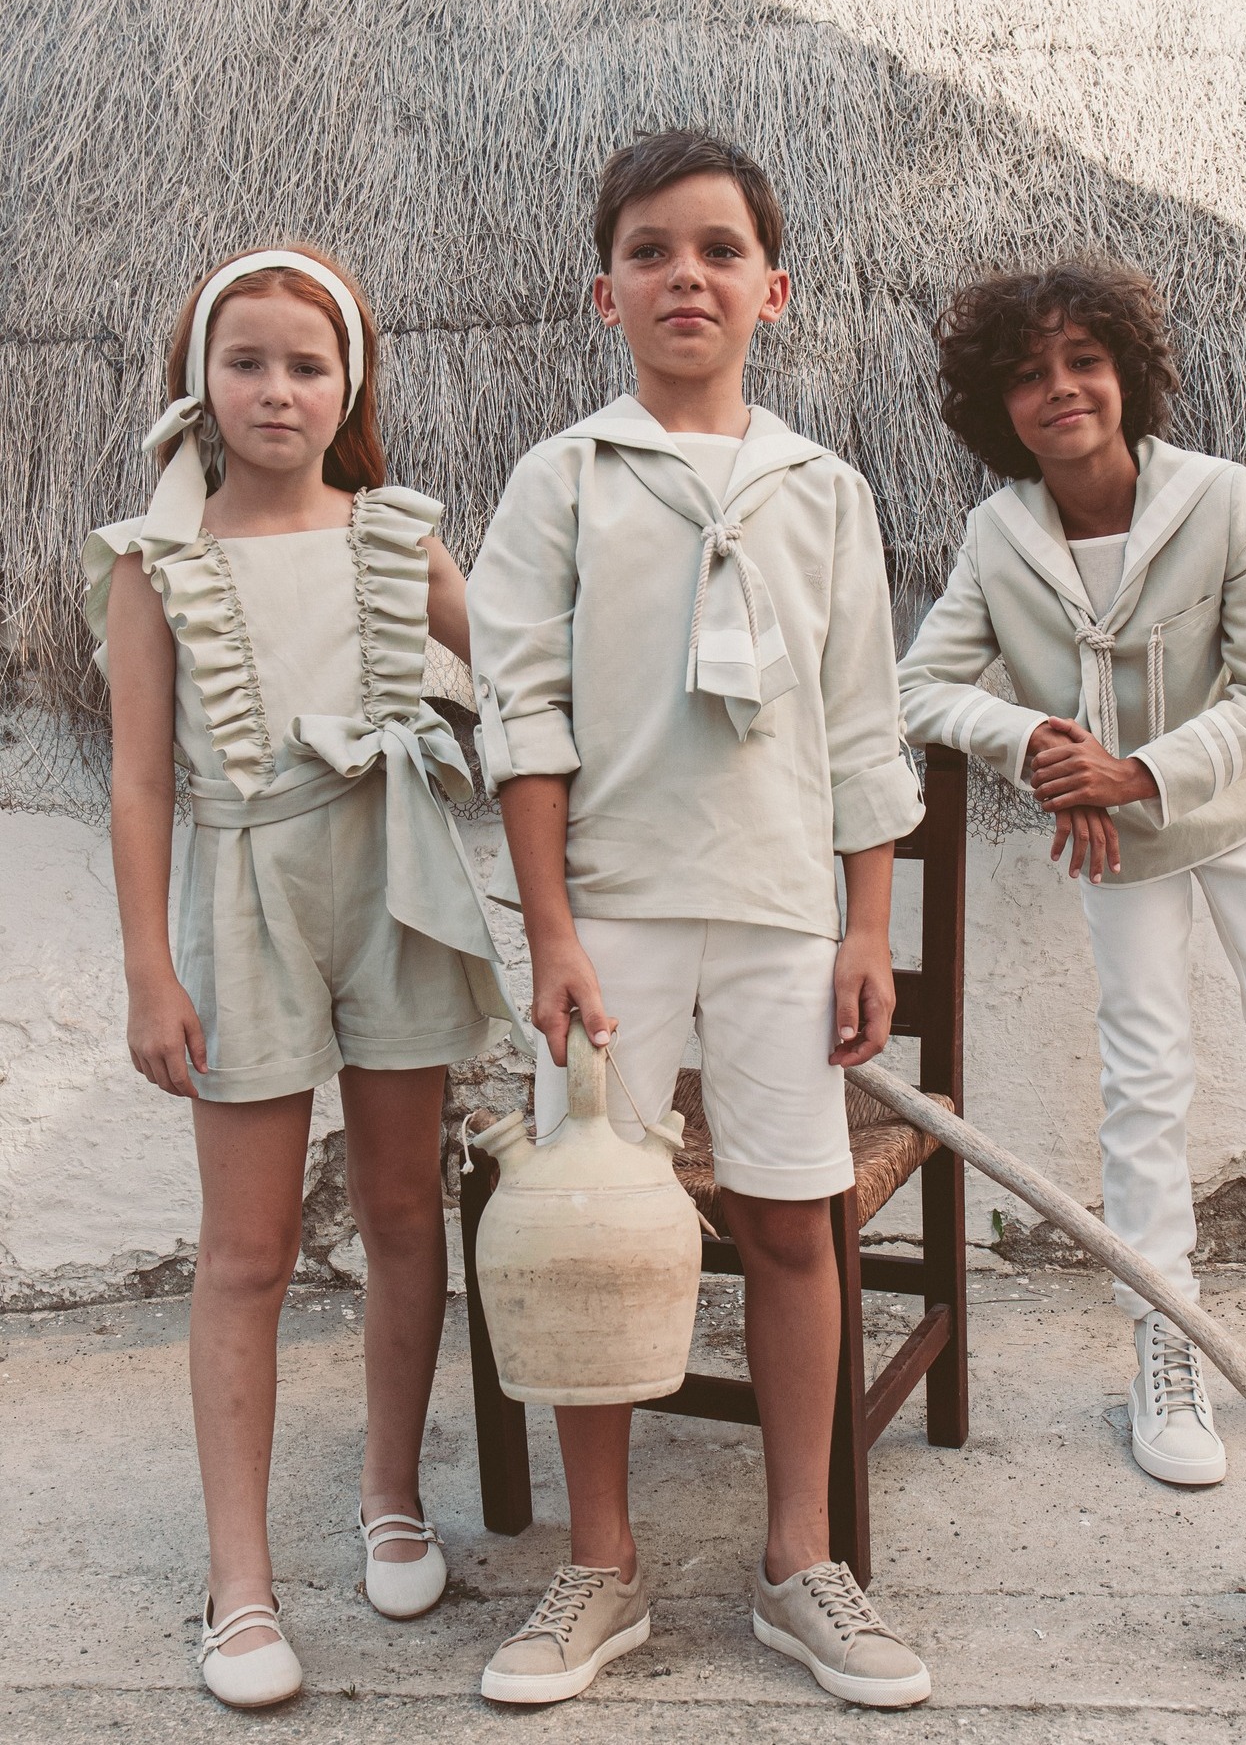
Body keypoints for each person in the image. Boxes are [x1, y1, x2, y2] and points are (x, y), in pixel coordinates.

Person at [466, 130, 930, 1708]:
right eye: (650, 251)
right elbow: (522, 715)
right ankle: (600, 1566)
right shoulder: (561, 481)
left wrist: (862, 927)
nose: (686, 276)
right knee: (588, 1229)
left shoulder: (824, 493)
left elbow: (861, 725)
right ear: (603, 293)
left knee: (791, 1222)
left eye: (719, 250)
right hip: (610, 917)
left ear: (771, 292)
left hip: (784, 913)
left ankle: (799, 1562)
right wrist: (551, 932)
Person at [898, 260, 1246, 1489]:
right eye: (1027, 374)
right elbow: (923, 685)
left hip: (1238, 813)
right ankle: (1165, 1337)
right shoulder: (995, 535)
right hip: (1113, 841)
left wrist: (1133, 771)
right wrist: (1039, 745)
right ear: (996, 407)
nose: (1059, 388)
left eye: (1083, 361)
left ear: (1126, 375)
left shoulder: (1219, 498)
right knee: (1144, 1079)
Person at [86, 247, 526, 1709]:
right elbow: (139, 784)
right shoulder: (156, 565)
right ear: (199, 381)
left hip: (393, 880)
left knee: (403, 1210)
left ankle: (390, 1495)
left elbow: (527, 674)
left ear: (350, 386)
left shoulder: (398, 538)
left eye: (306, 365)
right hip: (245, 899)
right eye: (247, 362)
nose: (277, 390)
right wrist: (150, 972)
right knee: (248, 1250)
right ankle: (240, 1582)